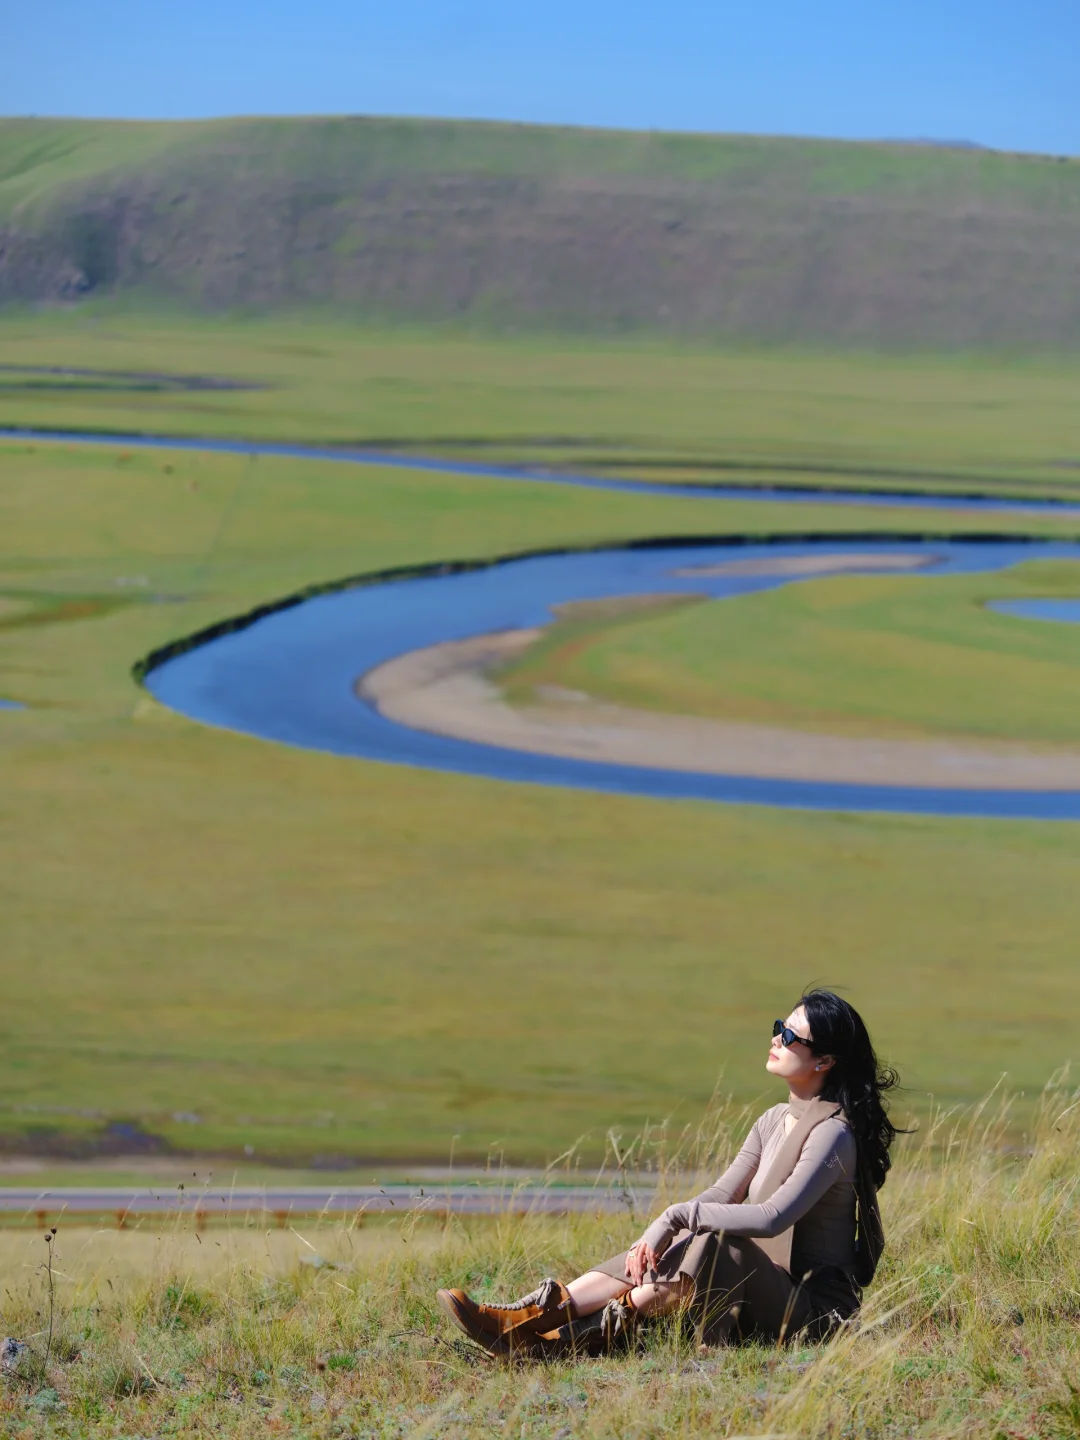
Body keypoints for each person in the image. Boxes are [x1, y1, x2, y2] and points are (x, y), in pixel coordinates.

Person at [436, 990, 898, 1358]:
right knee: (700, 1233)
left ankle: (563, 1339)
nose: (777, 1039)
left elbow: (773, 1217)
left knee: (717, 1240)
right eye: (780, 1027)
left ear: (824, 1062)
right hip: (763, 1286)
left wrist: (678, 1215)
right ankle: (534, 1317)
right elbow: (723, 1193)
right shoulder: (773, 1119)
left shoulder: (833, 1134)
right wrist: (662, 1228)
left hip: (813, 1313)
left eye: (792, 1036)